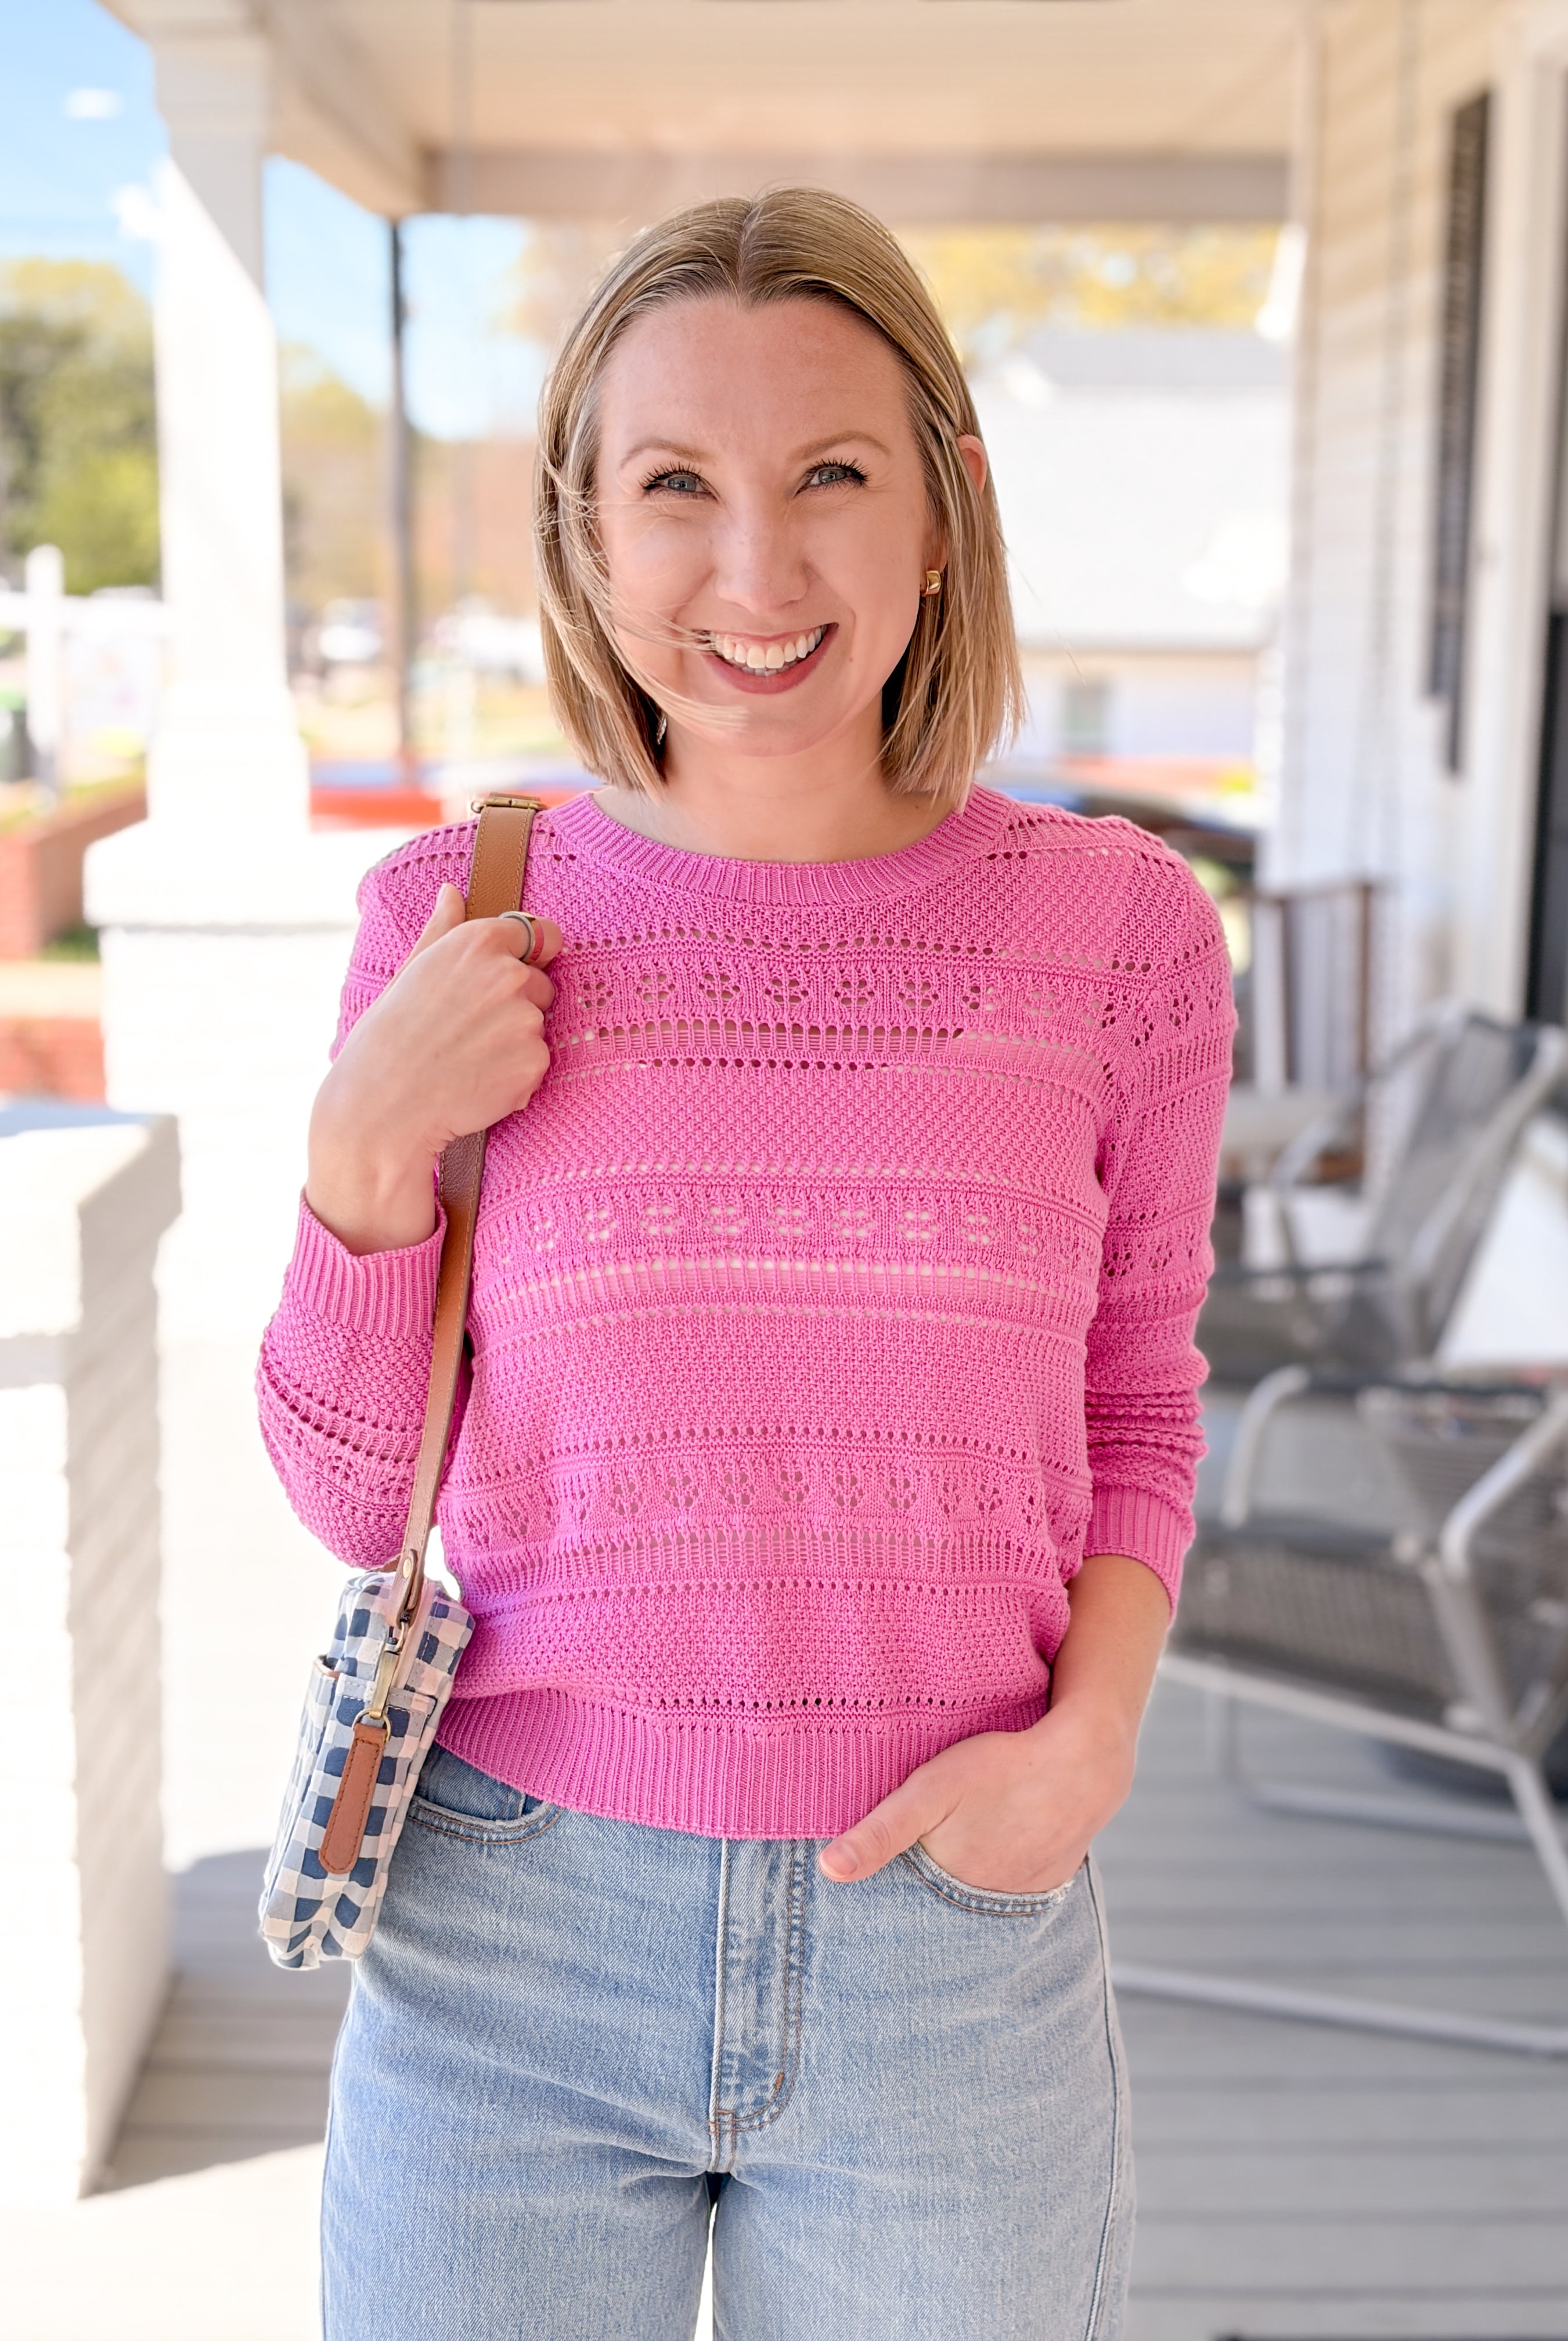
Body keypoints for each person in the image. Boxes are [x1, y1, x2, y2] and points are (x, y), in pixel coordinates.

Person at [258, 186, 1232, 2341]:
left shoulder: (1119, 936)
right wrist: (361, 1147)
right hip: (508, 1927)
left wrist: (1096, 1736)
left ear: (944, 512)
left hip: (950, 1937)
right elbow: (351, 1499)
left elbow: (1142, 1402)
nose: (756, 571)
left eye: (832, 478)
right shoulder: (452, 916)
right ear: (588, 534)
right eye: (676, 486)